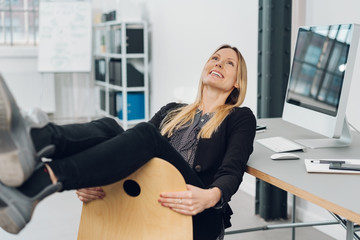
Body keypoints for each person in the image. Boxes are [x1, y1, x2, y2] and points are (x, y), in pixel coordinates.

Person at [0, 44, 256, 240]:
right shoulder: (172, 110)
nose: (219, 63)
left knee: (146, 133)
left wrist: (212, 196)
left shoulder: (239, 118)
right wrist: (90, 177)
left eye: (229, 63)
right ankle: (38, 154)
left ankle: (42, 166)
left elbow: (232, 169)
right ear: (204, 69)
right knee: (111, 126)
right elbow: (127, 148)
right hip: (149, 196)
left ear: (237, 82)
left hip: (197, 214)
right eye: (215, 58)